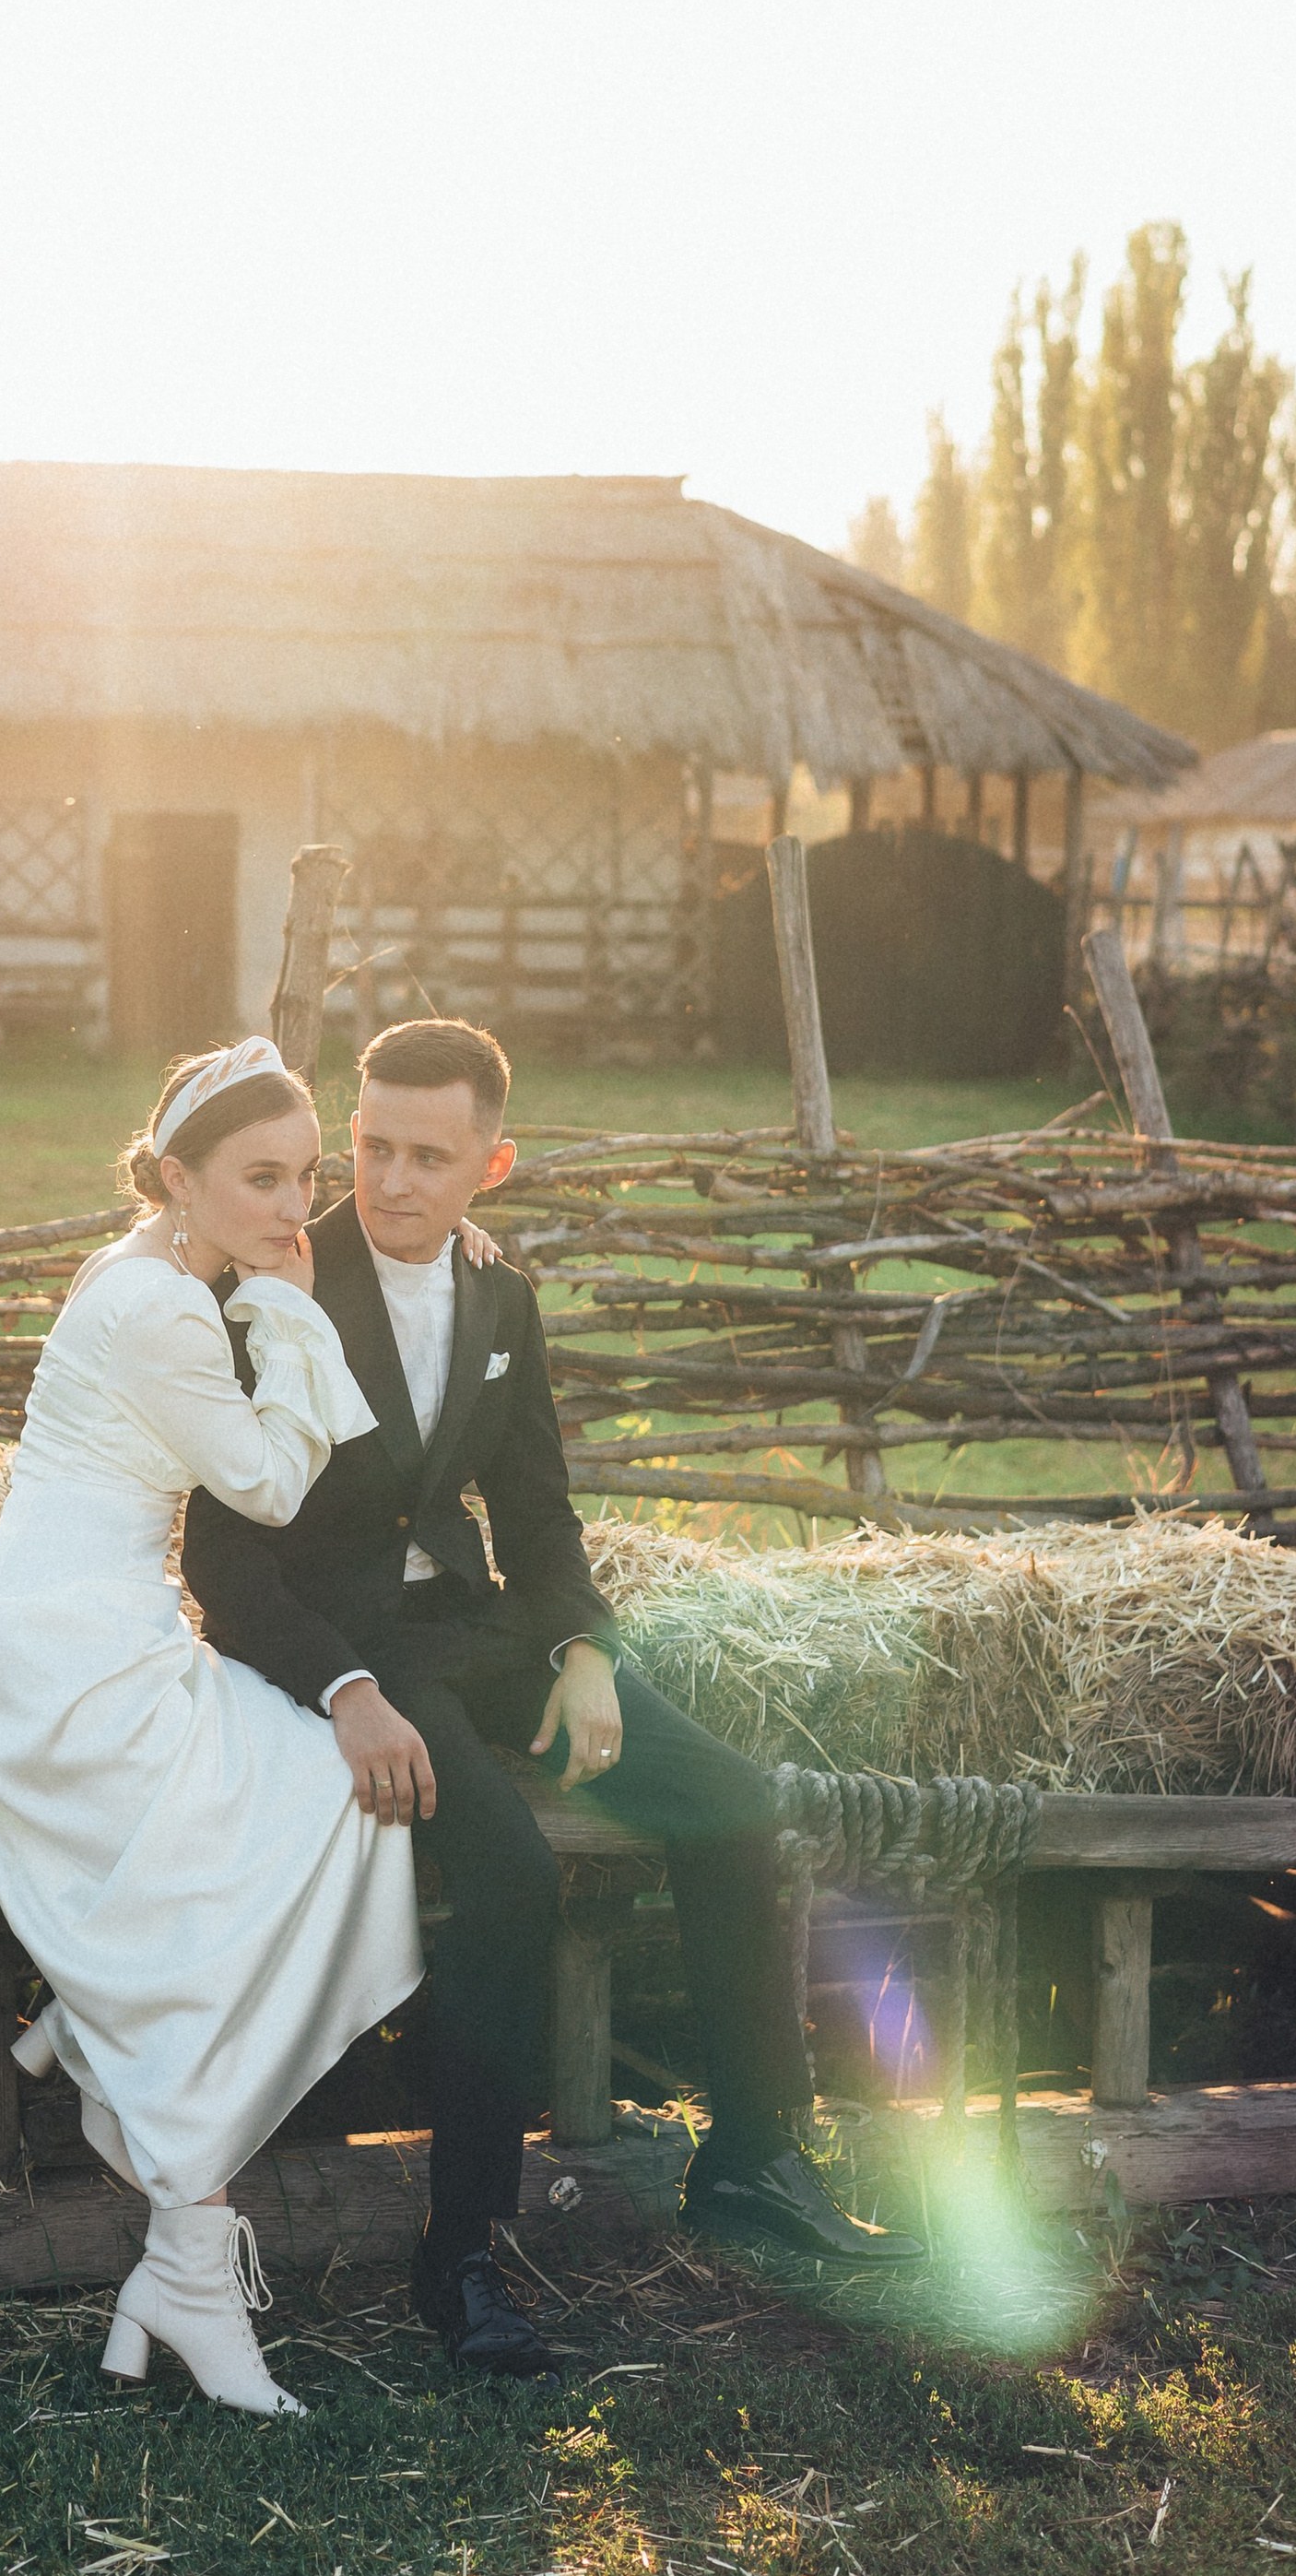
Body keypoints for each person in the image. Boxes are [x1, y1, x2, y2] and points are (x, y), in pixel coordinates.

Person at [183, 1014, 920, 2381]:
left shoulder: (500, 1300)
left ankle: (753, 2159)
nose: (390, 1181)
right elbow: (223, 1559)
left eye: (429, 1157)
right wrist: (344, 1688)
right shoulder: (275, 1279)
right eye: (372, 1146)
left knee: (733, 1804)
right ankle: (460, 2249)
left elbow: (537, 1510)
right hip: (355, 1648)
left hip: (486, 1629)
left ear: (494, 1164)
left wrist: (585, 1650)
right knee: (513, 1872)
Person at [0, 1037, 424, 2416]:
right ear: (179, 1178)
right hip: (69, 1648)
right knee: (323, 1803)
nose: (293, 1208)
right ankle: (132, 2112)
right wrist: (297, 1317)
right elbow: (266, 1489)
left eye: (306, 1177)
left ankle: (160, 2201)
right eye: (261, 1179)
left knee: (299, 1800)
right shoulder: (166, 1309)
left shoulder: (146, 1269)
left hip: (80, 1618)